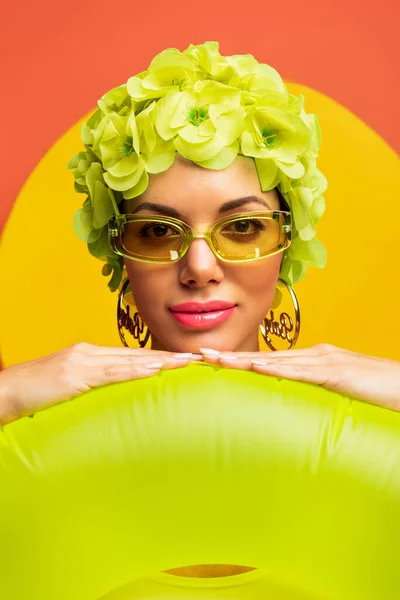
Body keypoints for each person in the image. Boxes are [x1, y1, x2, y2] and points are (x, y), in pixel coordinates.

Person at [0, 41, 400, 586]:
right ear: (120, 253)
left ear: (286, 248)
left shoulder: (362, 435)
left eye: (242, 228)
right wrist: (9, 394)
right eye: (159, 232)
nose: (200, 267)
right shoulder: (43, 441)